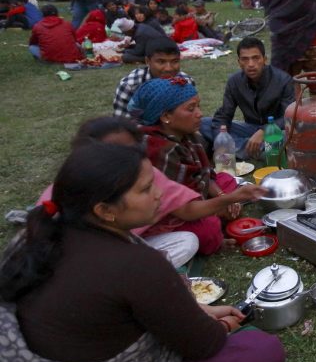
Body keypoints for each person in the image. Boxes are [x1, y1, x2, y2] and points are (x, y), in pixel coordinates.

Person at [0, 142, 284, 362]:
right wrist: (223, 324)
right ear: (105, 210)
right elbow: (203, 344)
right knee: (261, 349)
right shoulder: (136, 265)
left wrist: (199, 310)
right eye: (146, 189)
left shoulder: (33, 239)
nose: (159, 194)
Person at [38, 116, 267, 263]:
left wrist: (230, 197)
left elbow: (186, 209)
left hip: (126, 246)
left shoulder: (143, 172)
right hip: (95, 262)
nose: (158, 193)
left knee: (189, 240)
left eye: (133, 151)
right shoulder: (75, 197)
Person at [132, 77, 244, 248]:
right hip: (169, 212)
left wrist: (222, 197)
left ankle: (218, 212)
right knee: (209, 230)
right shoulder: (160, 150)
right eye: (191, 109)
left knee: (226, 180)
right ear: (166, 116)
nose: (199, 113)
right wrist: (221, 204)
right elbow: (182, 207)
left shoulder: (187, 135)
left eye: (198, 106)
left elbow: (205, 175)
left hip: (194, 198)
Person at [201, 37, 294, 160]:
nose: (251, 64)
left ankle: (243, 150)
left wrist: (264, 131)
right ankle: (252, 149)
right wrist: (221, 141)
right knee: (204, 123)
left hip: (275, 132)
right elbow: (224, 116)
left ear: (264, 59)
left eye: (255, 58)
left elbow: (289, 118)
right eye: (245, 59)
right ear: (239, 62)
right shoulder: (234, 82)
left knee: (286, 136)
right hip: (249, 129)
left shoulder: (283, 80)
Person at [114, 37, 193, 117]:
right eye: (161, 62)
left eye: (174, 61)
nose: (168, 68)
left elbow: (191, 116)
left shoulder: (186, 82)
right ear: (148, 61)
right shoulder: (130, 85)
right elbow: (122, 123)